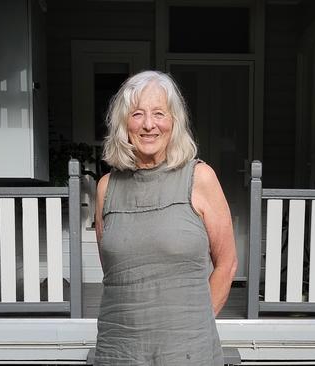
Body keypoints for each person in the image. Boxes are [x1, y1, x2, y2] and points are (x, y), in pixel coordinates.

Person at [93, 70, 238, 365]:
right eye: (137, 114)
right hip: (118, 347)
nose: (149, 124)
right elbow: (115, 272)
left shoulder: (201, 178)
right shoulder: (106, 187)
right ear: (124, 123)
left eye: (159, 113)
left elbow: (227, 264)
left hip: (186, 350)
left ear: (174, 122)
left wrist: (195, 325)